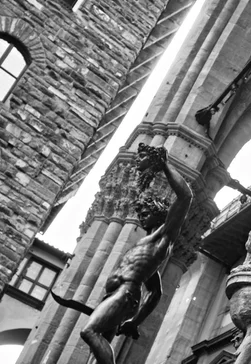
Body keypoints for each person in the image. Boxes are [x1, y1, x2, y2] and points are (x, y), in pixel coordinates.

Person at [53, 144, 192, 364]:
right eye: (140, 213)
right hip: (117, 295)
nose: (142, 217)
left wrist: (163, 164)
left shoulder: (164, 237)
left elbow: (185, 197)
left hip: (126, 294)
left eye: (146, 213)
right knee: (95, 356)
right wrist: (135, 321)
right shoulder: (146, 249)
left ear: (159, 214)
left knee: (89, 332)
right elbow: (156, 292)